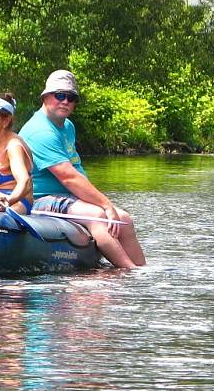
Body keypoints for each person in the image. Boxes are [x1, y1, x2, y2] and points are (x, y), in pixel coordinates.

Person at [18, 70, 146, 268]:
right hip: (41, 198)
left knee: (125, 220)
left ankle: (142, 272)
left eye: (71, 97)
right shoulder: (40, 131)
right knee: (97, 216)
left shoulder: (67, 126)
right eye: (59, 95)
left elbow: (77, 172)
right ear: (45, 97)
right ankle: (128, 272)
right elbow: (68, 177)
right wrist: (106, 205)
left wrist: (105, 205)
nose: (65, 101)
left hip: (67, 197)